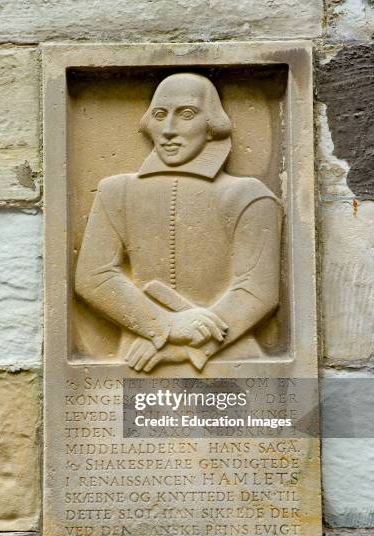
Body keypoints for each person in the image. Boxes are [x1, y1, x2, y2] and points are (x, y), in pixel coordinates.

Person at [75, 73, 281, 372]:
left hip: (233, 364)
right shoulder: (115, 191)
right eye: (160, 115)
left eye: (186, 114)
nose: (169, 130)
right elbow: (94, 277)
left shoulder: (248, 195)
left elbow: (257, 291)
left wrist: (183, 349)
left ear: (212, 126)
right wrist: (165, 327)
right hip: (135, 362)